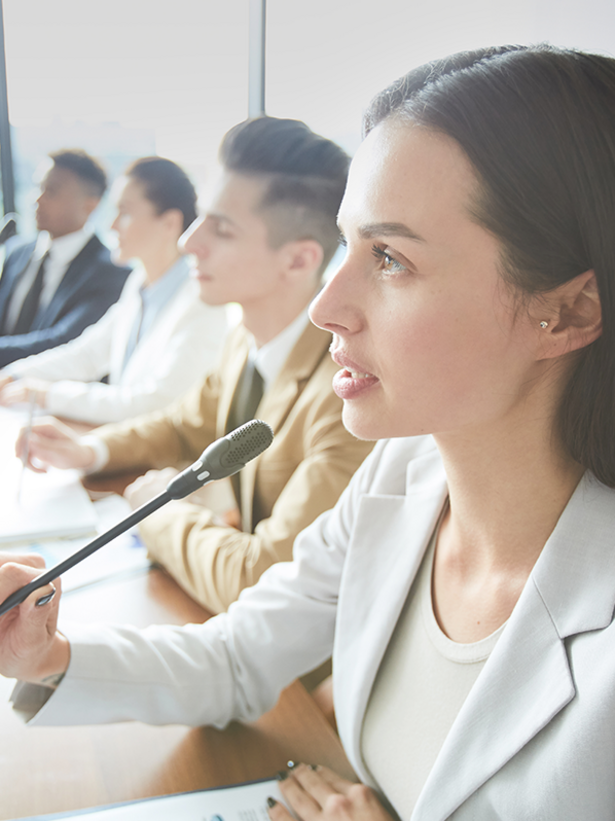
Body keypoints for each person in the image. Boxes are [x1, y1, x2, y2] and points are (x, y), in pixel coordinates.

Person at [2, 43, 613, 819]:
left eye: (389, 257)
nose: (326, 305)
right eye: (347, 243)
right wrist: (44, 655)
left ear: (565, 312)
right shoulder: (400, 476)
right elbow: (235, 656)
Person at [9, 116, 373, 614]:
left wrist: (156, 511)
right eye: (200, 217)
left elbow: (259, 577)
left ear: (297, 260)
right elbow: (184, 424)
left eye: (219, 229)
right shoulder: (244, 339)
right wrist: (89, 451)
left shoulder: (345, 395)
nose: (189, 242)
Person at [0, 157, 229, 424]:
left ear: (169, 223)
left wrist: (48, 395)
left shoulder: (202, 303)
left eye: (125, 212)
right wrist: (13, 375)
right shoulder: (139, 284)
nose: (111, 225)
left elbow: (154, 403)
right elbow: (87, 354)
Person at [0, 149, 130, 368]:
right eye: (38, 187)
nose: (37, 199)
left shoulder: (111, 272)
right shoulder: (16, 251)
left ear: (91, 204)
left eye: (51, 191)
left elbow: (63, 342)